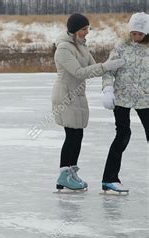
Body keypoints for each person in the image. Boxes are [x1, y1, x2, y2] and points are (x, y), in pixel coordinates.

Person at [52, 13, 125, 191]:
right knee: (72, 135)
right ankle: (63, 175)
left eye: (87, 28)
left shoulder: (82, 47)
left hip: (77, 95)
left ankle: (70, 172)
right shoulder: (63, 49)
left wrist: (109, 64)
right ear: (75, 29)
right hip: (66, 96)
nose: (87, 32)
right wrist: (105, 66)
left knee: (78, 135)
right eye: (84, 29)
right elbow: (78, 72)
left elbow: (94, 68)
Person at [100, 12, 149, 193]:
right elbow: (108, 70)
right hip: (122, 97)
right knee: (123, 135)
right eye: (134, 33)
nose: (137, 37)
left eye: (141, 34)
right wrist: (107, 89)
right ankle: (109, 179)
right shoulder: (121, 47)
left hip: (145, 99)